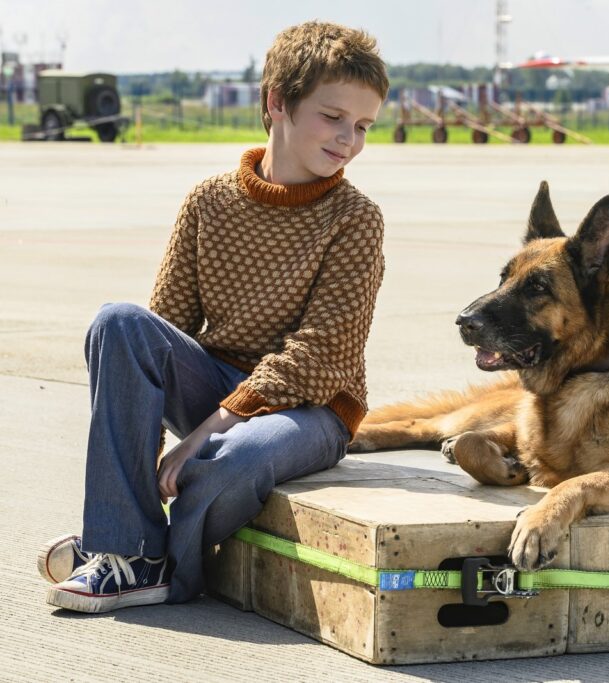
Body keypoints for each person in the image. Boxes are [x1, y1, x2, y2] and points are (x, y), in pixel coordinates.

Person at [37, 20, 389, 613]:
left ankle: (148, 561)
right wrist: (146, 455)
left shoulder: (356, 218)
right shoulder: (209, 200)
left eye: (362, 127)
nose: (348, 141)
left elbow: (322, 351)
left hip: (312, 409)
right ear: (277, 102)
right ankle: (128, 549)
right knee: (117, 322)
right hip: (217, 385)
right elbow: (160, 329)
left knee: (235, 459)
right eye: (333, 117)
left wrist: (203, 433)